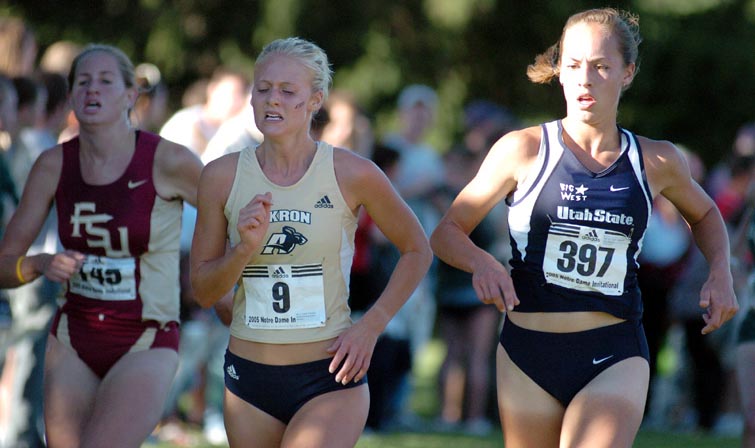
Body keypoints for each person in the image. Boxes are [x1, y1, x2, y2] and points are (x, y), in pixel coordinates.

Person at [430, 8, 739, 447]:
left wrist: (720, 271)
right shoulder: (522, 150)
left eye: (600, 66)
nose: (584, 79)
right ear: (559, 72)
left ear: (627, 73)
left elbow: (705, 214)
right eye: (573, 65)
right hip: (527, 352)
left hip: (615, 349)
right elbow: (447, 232)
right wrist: (482, 262)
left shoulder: (657, 159)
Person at [190, 37, 431, 447]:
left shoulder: (353, 172)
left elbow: (417, 249)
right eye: (263, 88)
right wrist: (242, 250)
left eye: (288, 91)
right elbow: (203, 290)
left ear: (315, 100)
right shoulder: (221, 176)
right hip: (249, 379)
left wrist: (371, 326)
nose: (272, 101)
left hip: (329, 377)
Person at [0, 43, 203, 447]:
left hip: (146, 336)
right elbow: (5, 264)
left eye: (106, 81)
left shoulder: (168, 160)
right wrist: (39, 263)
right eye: (83, 82)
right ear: (72, 95)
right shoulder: (53, 164)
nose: (93, 90)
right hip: (74, 338)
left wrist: (219, 276)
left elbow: (228, 214)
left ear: (131, 95)